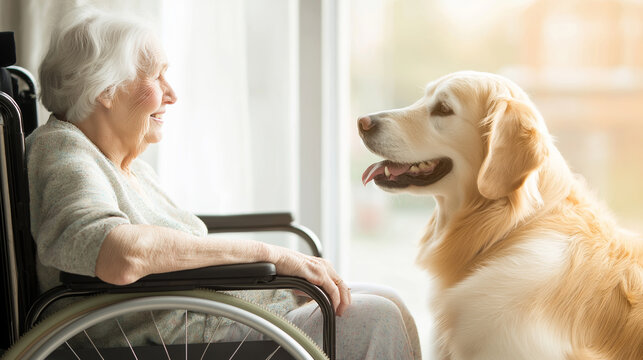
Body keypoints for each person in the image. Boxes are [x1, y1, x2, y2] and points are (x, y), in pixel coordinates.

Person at [28, 8, 421, 359]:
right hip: (170, 342)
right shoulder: (65, 153)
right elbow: (119, 252)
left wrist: (275, 282)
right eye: (155, 76)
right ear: (104, 91)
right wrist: (274, 258)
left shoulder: (128, 167)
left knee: (389, 302)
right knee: (377, 317)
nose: (172, 93)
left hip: (213, 320)